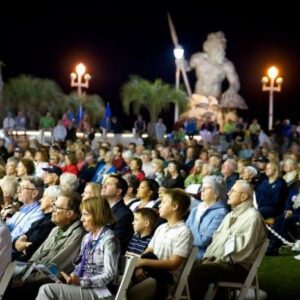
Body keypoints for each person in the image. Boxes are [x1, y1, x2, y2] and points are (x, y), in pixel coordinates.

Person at [188, 180, 267, 300]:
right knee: (187, 265)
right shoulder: (230, 215)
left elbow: (241, 251)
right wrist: (208, 258)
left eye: (232, 191)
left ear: (244, 196)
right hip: (223, 263)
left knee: (198, 273)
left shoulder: (252, 217)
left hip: (237, 267)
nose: (228, 193)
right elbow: (216, 241)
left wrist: (216, 261)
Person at [36, 196, 120, 300]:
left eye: (85, 214)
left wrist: (80, 281)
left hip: (102, 292)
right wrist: (70, 278)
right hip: (83, 287)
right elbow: (80, 266)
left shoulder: (110, 240)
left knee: (47, 290)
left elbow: (109, 275)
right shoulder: (87, 238)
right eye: (82, 214)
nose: (81, 219)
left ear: (97, 215)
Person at [128, 188, 193, 300]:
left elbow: (173, 264)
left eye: (163, 202)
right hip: (149, 272)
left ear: (175, 207)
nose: (159, 205)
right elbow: (149, 250)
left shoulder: (184, 232)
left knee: (132, 294)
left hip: (165, 280)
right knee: (119, 283)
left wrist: (143, 262)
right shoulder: (161, 228)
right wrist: (140, 267)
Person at [186, 175, 228, 260]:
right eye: (202, 187)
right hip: (186, 250)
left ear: (216, 194)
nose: (201, 190)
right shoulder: (195, 209)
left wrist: (185, 236)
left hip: (201, 255)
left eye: (206, 188)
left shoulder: (221, 213)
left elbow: (204, 241)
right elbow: (184, 231)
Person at [189, 31, 240, 99]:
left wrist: (232, 89)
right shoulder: (198, 58)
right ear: (208, 48)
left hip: (215, 99)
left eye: (222, 48)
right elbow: (187, 68)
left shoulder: (227, 65)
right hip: (198, 97)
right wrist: (181, 63)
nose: (221, 51)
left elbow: (235, 82)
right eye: (217, 48)